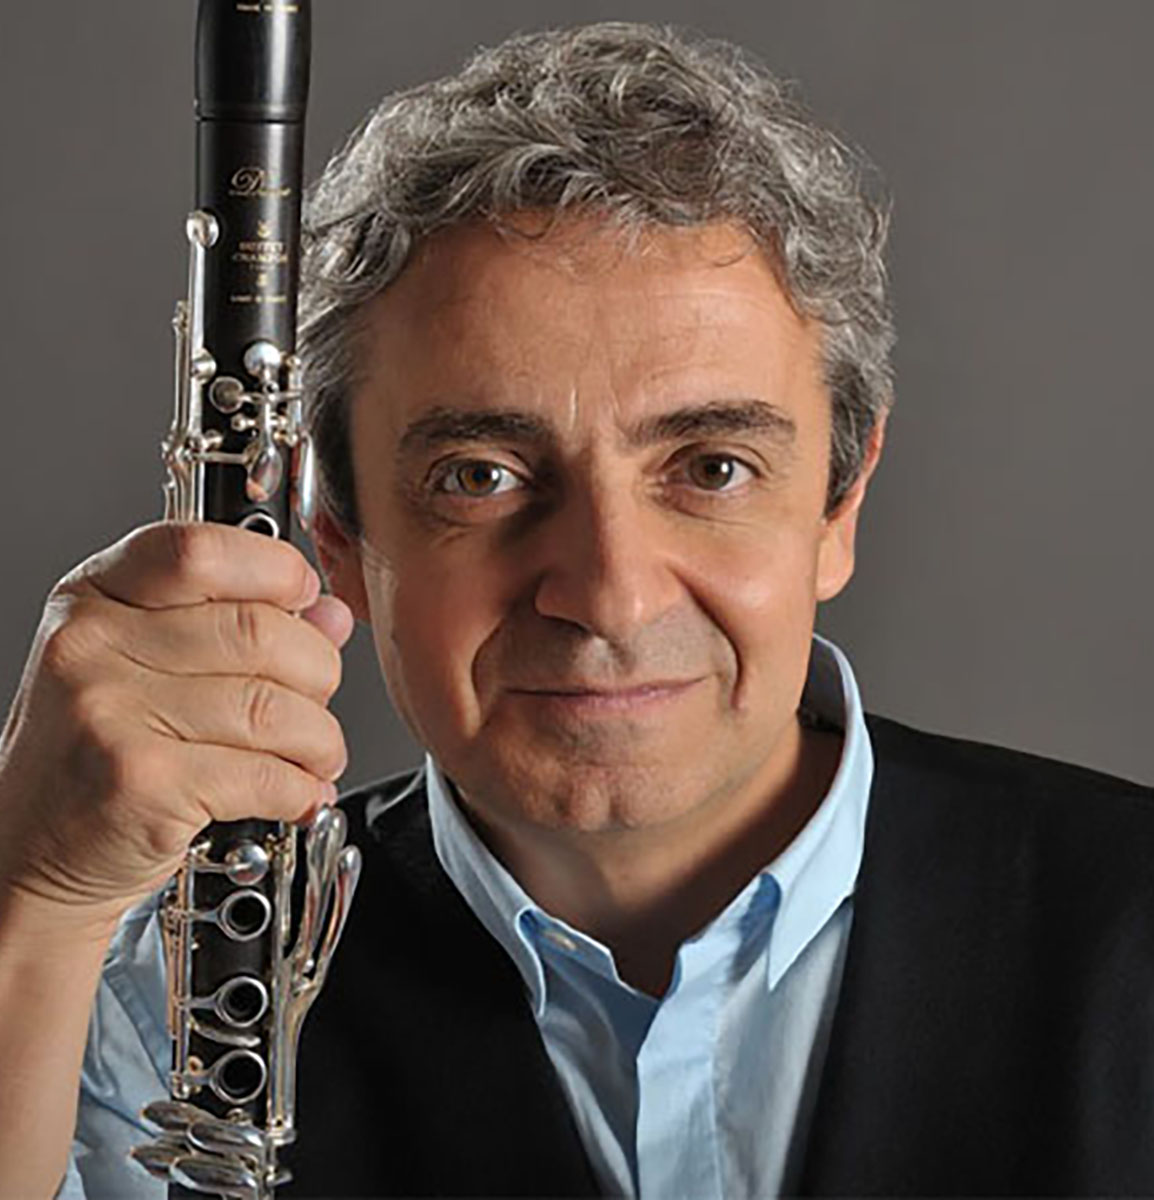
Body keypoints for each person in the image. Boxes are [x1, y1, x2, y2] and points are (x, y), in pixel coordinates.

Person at [0, 21, 1150, 1200]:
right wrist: (30, 902)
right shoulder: (133, 1006)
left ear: (838, 506)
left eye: (710, 469)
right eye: (479, 476)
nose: (608, 594)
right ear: (332, 532)